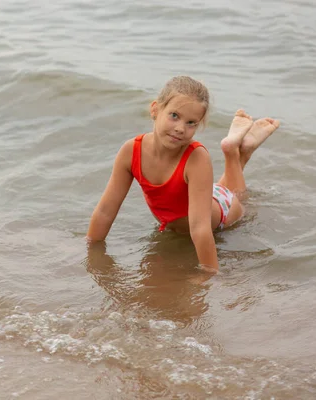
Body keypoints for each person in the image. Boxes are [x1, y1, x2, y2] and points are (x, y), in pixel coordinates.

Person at [86, 76, 280, 273]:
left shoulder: (196, 157)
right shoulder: (131, 151)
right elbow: (105, 210)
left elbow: (200, 228)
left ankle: (233, 152)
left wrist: (209, 275)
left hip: (224, 209)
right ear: (155, 109)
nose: (180, 128)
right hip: (203, 195)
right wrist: (90, 249)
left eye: (191, 123)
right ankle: (237, 150)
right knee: (225, 189)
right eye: (174, 116)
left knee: (240, 198)